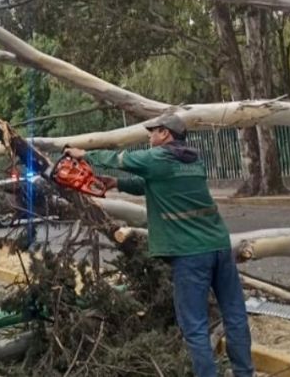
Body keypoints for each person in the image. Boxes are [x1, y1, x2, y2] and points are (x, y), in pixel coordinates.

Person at [65, 113, 254, 377]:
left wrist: (84, 154)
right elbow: (151, 184)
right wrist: (117, 183)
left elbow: (120, 159)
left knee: (195, 327)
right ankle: (245, 373)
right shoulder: (192, 160)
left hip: (191, 254)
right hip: (220, 247)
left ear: (165, 134)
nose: (150, 138)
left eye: (152, 133)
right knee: (235, 315)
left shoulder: (159, 157)